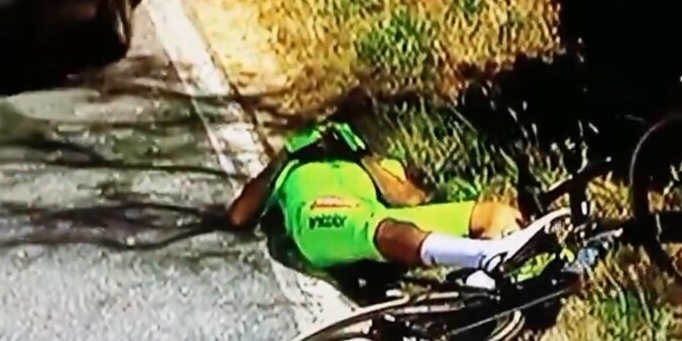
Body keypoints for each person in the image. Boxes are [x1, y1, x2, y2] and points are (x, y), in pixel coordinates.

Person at [224, 116, 533, 300]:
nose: (324, 138)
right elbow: (239, 215)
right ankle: (482, 257)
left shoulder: (379, 166)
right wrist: (286, 157)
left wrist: (361, 157)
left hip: (381, 218)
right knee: (374, 226)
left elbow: (411, 201)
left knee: (497, 215)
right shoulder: (288, 173)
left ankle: (479, 293)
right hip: (321, 217)